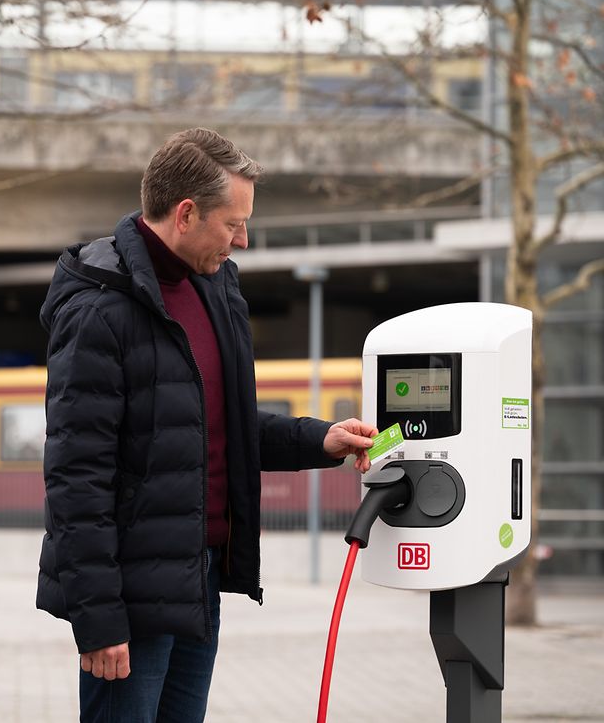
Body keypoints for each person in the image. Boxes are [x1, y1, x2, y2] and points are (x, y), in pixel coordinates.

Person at [36, 127, 377, 723]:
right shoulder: (99, 308)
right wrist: (98, 621)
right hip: (131, 605)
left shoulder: (216, 286)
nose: (242, 240)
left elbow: (217, 424)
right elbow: (75, 479)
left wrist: (317, 439)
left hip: (199, 582)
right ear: (186, 213)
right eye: (233, 223)